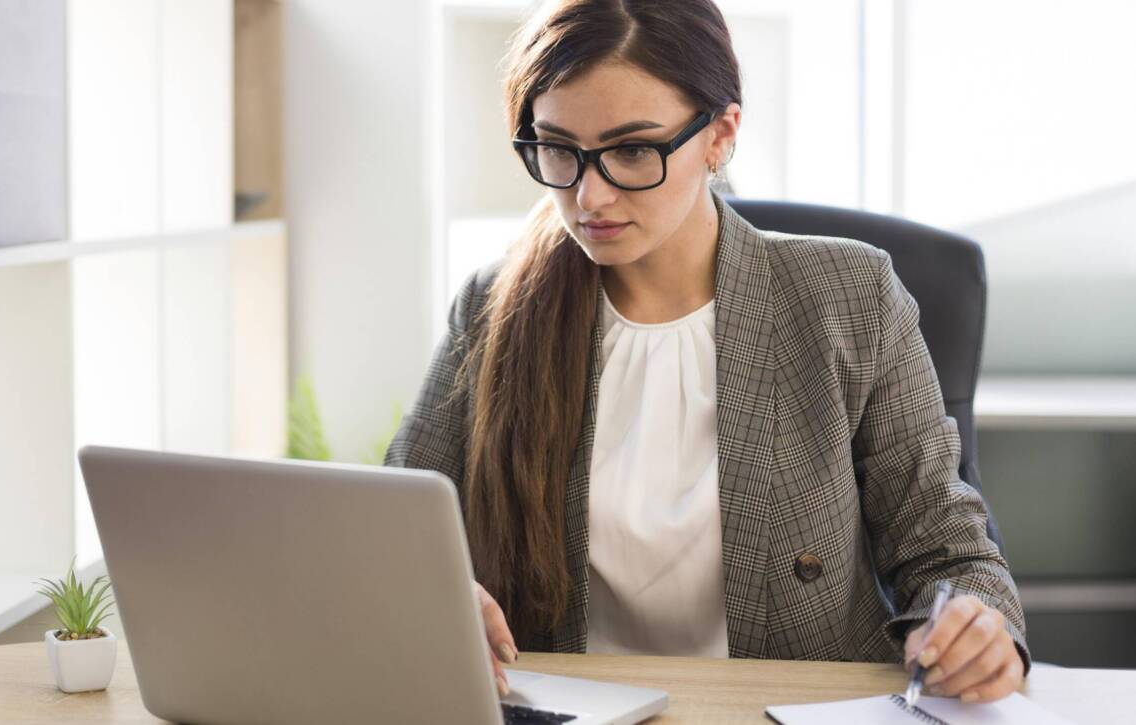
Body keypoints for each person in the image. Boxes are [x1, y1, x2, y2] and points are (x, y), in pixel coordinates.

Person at [385, 0, 1027, 705]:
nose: (588, 195)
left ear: (720, 134)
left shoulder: (851, 295)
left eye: (632, 150)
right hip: (566, 710)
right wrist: (437, 596)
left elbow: (949, 551)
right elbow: (393, 530)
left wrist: (976, 620)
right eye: (559, 148)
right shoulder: (494, 306)